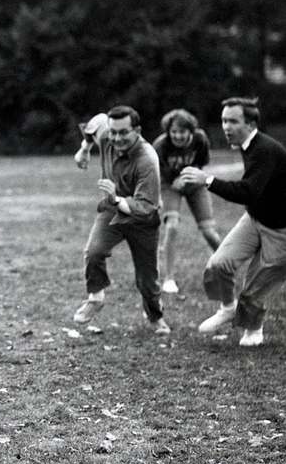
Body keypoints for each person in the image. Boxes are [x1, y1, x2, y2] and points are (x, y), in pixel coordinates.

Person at [179, 97, 286, 346]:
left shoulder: (265, 149)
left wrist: (207, 180)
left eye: (232, 121)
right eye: (224, 120)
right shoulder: (248, 145)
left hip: (281, 230)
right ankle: (228, 307)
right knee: (218, 265)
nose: (226, 126)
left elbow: (248, 191)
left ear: (250, 124)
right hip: (255, 218)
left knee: (255, 289)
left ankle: (254, 329)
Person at [72, 105, 169, 334]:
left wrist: (117, 199)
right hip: (112, 211)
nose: (116, 138)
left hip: (142, 218)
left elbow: (145, 206)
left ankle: (155, 316)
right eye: (113, 132)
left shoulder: (147, 160)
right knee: (94, 253)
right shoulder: (107, 134)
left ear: (137, 130)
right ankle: (95, 297)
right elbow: (95, 121)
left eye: (124, 132)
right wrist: (84, 149)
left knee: (147, 280)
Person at [153, 109, 222, 294]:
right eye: (173, 132)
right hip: (170, 186)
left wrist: (189, 176)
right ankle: (169, 278)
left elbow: (202, 162)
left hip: (194, 184)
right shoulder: (161, 144)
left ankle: (226, 264)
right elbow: (157, 169)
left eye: (182, 132)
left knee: (209, 232)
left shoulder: (200, 139)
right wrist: (174, 180)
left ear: (190, 131)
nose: (177, 136)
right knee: (172, 226)